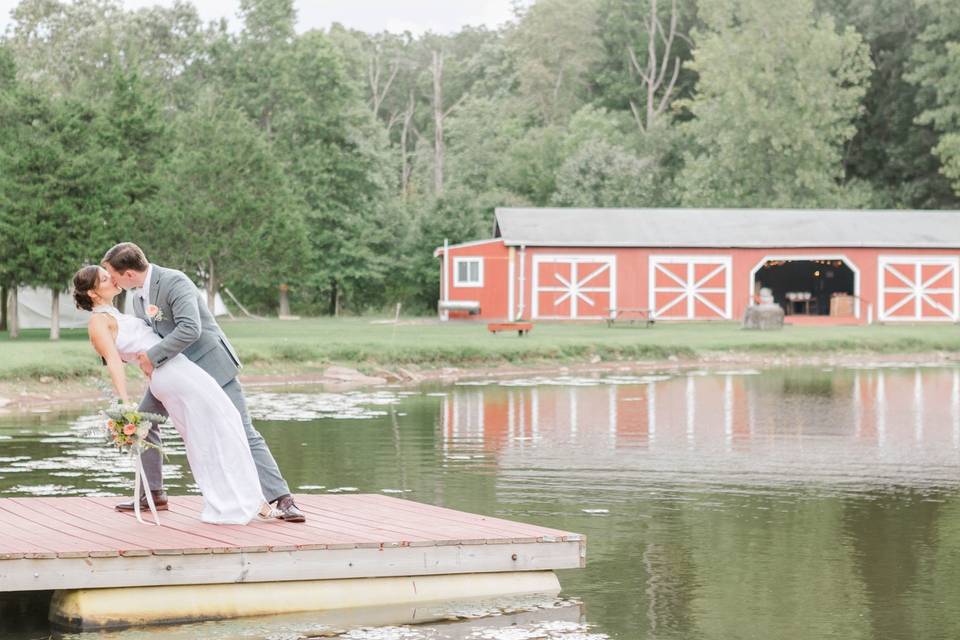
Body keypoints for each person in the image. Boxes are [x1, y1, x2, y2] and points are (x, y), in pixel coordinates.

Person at [100, 243, 305, 522]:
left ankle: (282, 498)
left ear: (127, 274)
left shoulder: (174, 282)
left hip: (210, 366)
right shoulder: (137, 299)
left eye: (112, 275)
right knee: (143, 423)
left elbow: (190, 328)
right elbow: (147, 337)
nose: (111, 280)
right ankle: (154, 494)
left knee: (242, 429)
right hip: (174, 374)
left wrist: (152, 356)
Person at [73, 265, 270, 524]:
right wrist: (124, 403)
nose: (113, 280)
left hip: (177, 368)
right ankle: (231, 501)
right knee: (208, 434)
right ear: (93, 293)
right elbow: (112, 362)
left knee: (224, 424)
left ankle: (249, 497)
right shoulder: (98, 322)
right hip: (170, 374)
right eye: (105, 278)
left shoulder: (115, 313)